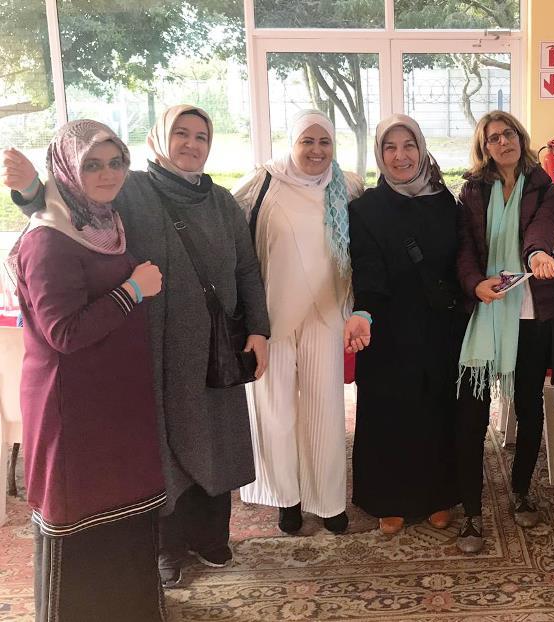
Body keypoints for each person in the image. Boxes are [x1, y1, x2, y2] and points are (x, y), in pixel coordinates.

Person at [4, 104, 270, 588]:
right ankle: (166, 547)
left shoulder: (224, 202)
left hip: (214, 349)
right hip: (152, 347)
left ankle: (211, 537)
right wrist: (27, 192)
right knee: (163, 448)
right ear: (157, 140)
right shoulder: (132, 189)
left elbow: (247, 269)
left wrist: (260, 329)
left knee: (216, 441)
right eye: (181, 134)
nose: (192, 144)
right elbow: (71, 207)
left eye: (201, 136)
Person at [11, 120, 166, 620]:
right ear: (68, 170)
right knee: (78, 517)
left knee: (122, 518)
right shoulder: (48, 240)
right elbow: (65, 334)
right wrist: (133, 291)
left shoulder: (103, 222)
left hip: (113, 400)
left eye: (115, 162)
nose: (108, 174)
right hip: (71, 410)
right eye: (91, 164)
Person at [233, 110, 364, 536]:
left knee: (324, 409)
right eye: (307, 141)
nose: (316, 150)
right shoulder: (264, 182)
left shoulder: (347, 186)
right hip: (271, 315)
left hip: (326, 312)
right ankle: (285, 498)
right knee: (274, 409)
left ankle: (326, 501)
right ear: (291, 142)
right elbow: (231, 235)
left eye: (324, 142)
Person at [343, 114, 464, 535]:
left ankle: (437, 495)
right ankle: (387, 498)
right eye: (390, 147)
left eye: (408, 145)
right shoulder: (365, 209)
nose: (400, 156)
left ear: (422, 149)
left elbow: (458, 261)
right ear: (380, 153)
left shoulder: (445, 201)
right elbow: (367, 267)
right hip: (389, 324)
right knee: (389, 410)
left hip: (439, 324)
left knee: (436, 407)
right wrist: (365, 311)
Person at [453, 111, 554, 553]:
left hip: (529, 313)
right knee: (471, 416)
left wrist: (537, 253)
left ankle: (521, 491)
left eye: (509, 134)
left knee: (528, 408)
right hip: (484, 311)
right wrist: (473, 284)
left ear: (521, 137)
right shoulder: (472, 192)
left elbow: (540, 229)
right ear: (484, 148)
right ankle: (471, 511)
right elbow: (464, 247)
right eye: (493, 138)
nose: (503, 142)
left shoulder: (545, 187)